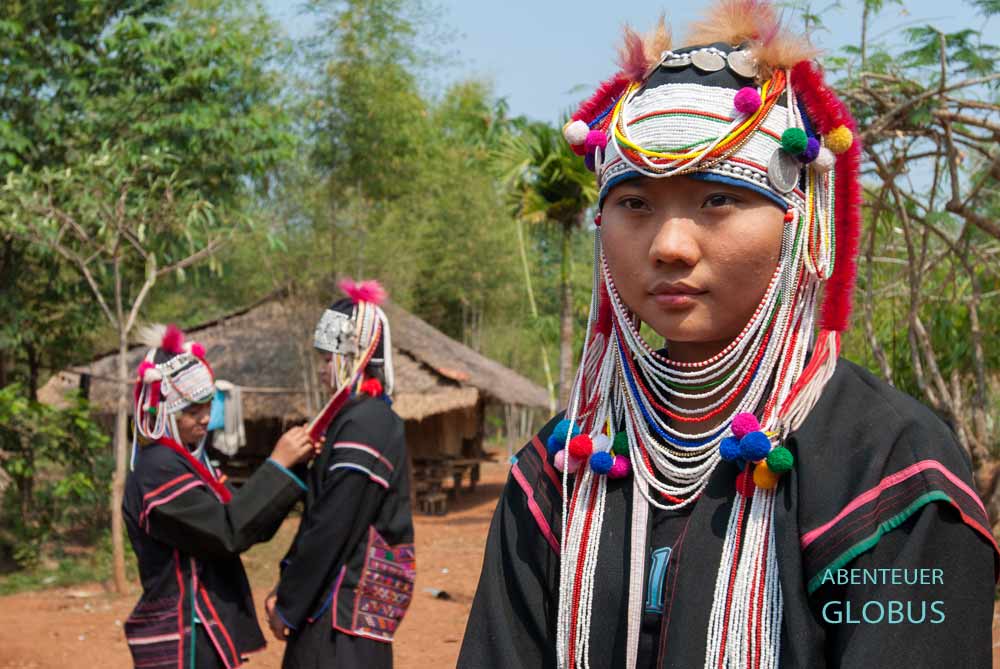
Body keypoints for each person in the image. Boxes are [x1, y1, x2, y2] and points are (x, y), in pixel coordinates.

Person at [459, 2, 999, 667]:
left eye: (718, 198)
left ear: (800, 221)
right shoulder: (558, 471)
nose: (670, 245)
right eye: (634, 202)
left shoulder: (889, 469)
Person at [122, 324, 317, 669]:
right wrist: (277, 464)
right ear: (165, 411)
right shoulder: (157, 469)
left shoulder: (191, 463)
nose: (205, 419)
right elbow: (229, 532)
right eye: (192, 411)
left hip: (202, 629)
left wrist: (295, 468)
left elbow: (248, 523)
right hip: (184, 634)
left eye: (207, 406)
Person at [266, 279, 415, 669]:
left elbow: (333, 524)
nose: (321, 370)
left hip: (338, 618)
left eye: (326, 359)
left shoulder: (366, 423)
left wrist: (289, 603)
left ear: (354, 355)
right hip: (338, 613)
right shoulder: (359, 420)